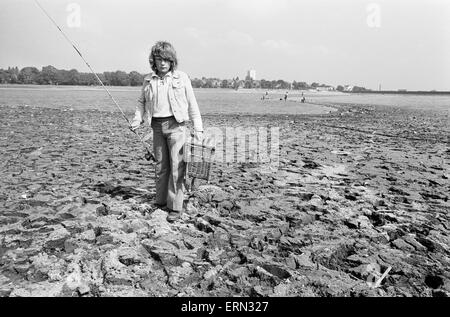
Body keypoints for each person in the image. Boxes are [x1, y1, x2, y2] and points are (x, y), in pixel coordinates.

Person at [130, 41, 203, 223]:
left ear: (172, 61)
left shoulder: (182, 78)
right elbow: (141, 102)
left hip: (177, 126)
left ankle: (176, 207)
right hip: (156, 126)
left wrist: (198, 128)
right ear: (153, 60)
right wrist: (137, 119)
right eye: (159, 59)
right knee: (161, 166)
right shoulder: (148, 79)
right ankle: (161, 201)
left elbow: (192, 104)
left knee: (178, 167)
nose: (162, 63)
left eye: (166, 60)